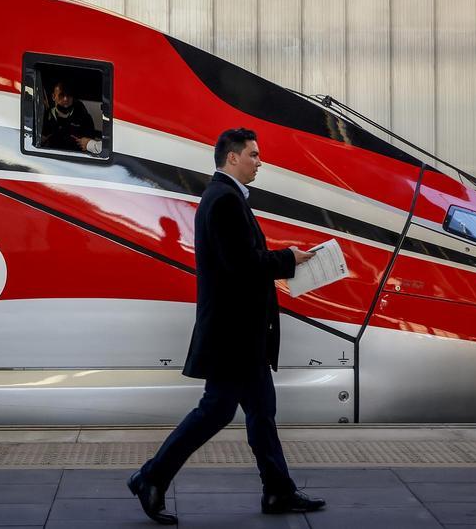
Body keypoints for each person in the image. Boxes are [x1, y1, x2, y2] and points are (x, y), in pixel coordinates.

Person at [127, 127, 326, 524]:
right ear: (232, 158)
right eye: (253, 155)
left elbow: (243, 257)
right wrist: (287, 258)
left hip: (240, 334)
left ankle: (277, 491)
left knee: (261, 412)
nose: (259, 162)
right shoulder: (224, 201)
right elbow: (244, 266)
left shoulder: (226, 198)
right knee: (216, 411)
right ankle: (151, 477)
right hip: (234, 335)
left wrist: (286, 258)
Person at [40, 79, 102, 155]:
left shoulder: (84, 118)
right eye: (61, 95)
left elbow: (90, 144)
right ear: (53, 97)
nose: (65, 99)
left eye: (69, 95)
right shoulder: (44, 116)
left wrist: (86, 144)